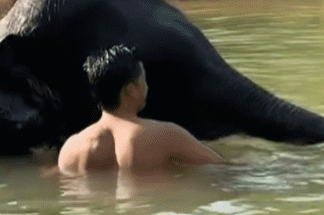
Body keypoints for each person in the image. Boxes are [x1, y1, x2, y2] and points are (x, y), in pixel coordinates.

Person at [58, 45, 224, 175]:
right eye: (143, 81)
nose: (147, 86)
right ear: (131, 90)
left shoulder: (70, 149)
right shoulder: (165, 136)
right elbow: (222, 169)